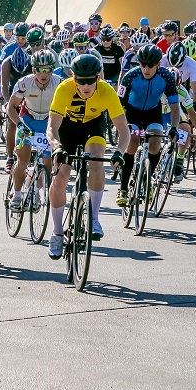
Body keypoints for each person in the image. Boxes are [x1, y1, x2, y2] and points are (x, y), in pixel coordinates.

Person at [46, 54, 129, 257]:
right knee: (60, 178)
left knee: (97, 161)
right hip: (67, 128)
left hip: (93, 126)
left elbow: (124, 130)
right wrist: (57, 147)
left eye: (90, 81)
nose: (86, 86)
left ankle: (94, 218)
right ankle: (57, 233)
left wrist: (119, 152)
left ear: (97, 78)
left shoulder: (107, 91)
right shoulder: (64, 88)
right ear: (73, 79)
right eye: (81, 81)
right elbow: (52, 127)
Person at [115, 45, 179, 207]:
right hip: (132, 112)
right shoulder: (130, 76)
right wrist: (121, 127)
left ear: (158, 64)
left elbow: (174, 106)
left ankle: (148, 179)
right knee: (132, 144)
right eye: (142, 64)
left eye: (150, 65)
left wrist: (174, 128)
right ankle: (123, 188)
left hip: (152, 112)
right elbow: (118, 104)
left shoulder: (166, 77)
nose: (146, 68)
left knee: (155, 143)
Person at [6, 50, 61, 212]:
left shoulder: (59, 83)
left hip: (47, 123)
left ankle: (35, 192)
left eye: (48, 70)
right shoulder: (24, 83)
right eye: (39, 69)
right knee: (22, 160)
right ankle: (16, 196)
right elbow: (11, 107)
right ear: (33, 70)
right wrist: (19, 124)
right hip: (27, 121)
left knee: (47, 164)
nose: (44, 74)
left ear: (52, 69)